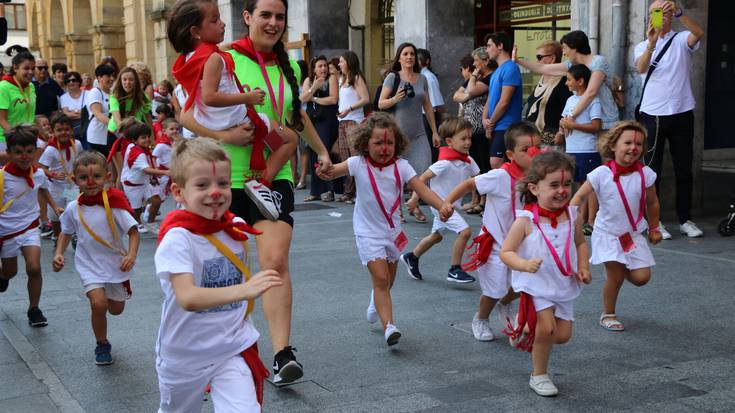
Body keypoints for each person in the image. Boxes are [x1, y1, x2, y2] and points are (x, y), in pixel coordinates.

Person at [178, 0, 332, 386]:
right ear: (247, 18)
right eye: (265, 15)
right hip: (223, 178)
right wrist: (223, 135)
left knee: (276, 260)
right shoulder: (223, 56)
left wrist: (323, 153)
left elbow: (295, 118)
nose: (274, 23)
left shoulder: (291, 66)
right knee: (220, 269)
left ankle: (282, 353)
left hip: (270, 178)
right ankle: (221, 354)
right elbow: (185, 114)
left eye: (280, 16)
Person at [154, 137, 282, 412]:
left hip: (231, 348)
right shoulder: (178, 238)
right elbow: (187, 297)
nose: (215, 192)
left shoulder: (235, 227)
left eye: (223, 184)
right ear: (179, 192)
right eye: (202, 185)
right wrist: (245, 290)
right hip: (184, 355)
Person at [318, 113, 447, 346]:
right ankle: (389, 326)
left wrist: (442, 206)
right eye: (378, 143)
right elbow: (332, 171)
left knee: (387, 281)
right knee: (380, 278)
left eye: (389, 142)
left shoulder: (402, 166)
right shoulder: (357, 163)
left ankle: (374, 301)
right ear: (365, 143)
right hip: (367, 232)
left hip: (392, 231)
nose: (384, 148)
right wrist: (324, 168)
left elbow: (422, 189)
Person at [168, 0, 299, 221]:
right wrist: (246, 100)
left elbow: (297, 113)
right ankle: (263, 185)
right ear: (196, 31)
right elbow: (206, 99)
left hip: (226, 122)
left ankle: (263, 183)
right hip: (242, 120)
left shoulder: (194, 57)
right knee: (290, 140)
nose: (222, 24)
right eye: (215, 20)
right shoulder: (214, 58)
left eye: (280, 17)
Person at [500, 150, 591, 397]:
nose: (562, 190)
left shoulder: (573, 215)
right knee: (547, 330)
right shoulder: (525, 221)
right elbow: (506, 252)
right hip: (537, 285)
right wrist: (523, 264)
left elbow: (581, 243)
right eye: (554, 185)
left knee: (562, 335)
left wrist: (583, 266)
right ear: (534, 188)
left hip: (562, 284)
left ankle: (523, 327)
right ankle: (538, 375)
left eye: (566, 184)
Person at [440, 121, 540, 342]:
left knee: (523, 283)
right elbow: (468, 185)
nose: (533, 154)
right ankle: (481, 317)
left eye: (537, 148)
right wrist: (446, 203)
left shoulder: (538, 177)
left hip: (522, 244)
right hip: (496, 243)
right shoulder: (499, 176)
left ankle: (505, 303)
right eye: (526, 150)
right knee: (493, 290)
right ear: (510, 154)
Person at [571, 121, 662, 331]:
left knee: (642, 278)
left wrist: (654, 228)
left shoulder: (645, 174)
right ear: (613, 146)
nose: (633, 147)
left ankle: (619, 268)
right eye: (628, 142)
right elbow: (579, 196)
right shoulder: (601, 173)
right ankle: (608, 314)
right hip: (607, 233)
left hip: (632, 233)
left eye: (639, 144)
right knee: (616, 277)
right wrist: (567, 217)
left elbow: (652, 202)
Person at [52, 150, 140, 365]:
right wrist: (59, 253)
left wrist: (131, 254)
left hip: (115, 266)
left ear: (107, 177)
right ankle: (102, 344)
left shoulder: (114, 204)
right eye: (83, 177)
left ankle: (111, 299)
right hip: (88, 265)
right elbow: (66, 231)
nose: (90, 182)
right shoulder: (74, 208)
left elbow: (133, 231)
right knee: (98, 304)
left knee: (116, 310)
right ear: (75, 180)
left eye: (96, 176)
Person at [634, 0, 705, 239]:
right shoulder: (643, 45)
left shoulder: (682, 39)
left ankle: (685, 219)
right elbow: (641, 68)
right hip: (652, 114)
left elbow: (699, 33)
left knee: (684, 168)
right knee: (652, 170)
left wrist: (680, 13)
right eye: (656, 13)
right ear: (649, 16)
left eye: (665, 13)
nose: (661, 17)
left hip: (682, 111)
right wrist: (651, 44)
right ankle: (655, 221)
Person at [401, 116, 479, 283]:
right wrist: (415, 199)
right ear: (449, 141)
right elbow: (421, 179)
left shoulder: (468, 161)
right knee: (465, 232)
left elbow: (479, 179)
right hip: (440, 205)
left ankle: (412, 257)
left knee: (436, 236)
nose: (468, 142)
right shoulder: (444, 163)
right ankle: (455, 269)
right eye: (463, 138)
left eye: (469, 138)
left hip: (451, 206)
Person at [0, 125, 63, 327]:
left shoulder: (38, 174)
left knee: (34, 268)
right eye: (18, 152)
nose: (24, 156)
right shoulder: (2, 176)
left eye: (29, 151)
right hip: (6, 230)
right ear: (8, 153)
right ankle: (4, 276)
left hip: (29, 227)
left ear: (35, 151)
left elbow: (42, 190)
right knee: (9, 272)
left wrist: (54, 207)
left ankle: (34, 309)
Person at [378, 42, 440, 222]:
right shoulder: (392, 77)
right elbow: (381, 104)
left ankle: (414, 204)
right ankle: (398, 209)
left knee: (424, 171)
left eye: (412, 54)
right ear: (400, 57)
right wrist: (395, 98)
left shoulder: (422, 79)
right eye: (405, 54)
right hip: (397, 135)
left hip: (419, 134)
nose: (409, 57)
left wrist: (435, 132)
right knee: (396, 176)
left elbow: (428, 107)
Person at [513, 30, 619, 132]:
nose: (563, 53)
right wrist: (518, 61)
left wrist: (570, 116)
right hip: (581, 122)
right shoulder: (570, 65)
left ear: (574, 47)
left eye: (565, 48)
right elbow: (542, 68)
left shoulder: (598, 61)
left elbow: (591, 92)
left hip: (605, 121)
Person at [557, 64, 601, 230]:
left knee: (589, 185)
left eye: (569, 80)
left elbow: (596, 126)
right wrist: (561, 130)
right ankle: (580, 219)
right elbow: (564, 119)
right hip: (571, 149)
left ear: (580, 81)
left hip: (587, 149)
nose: (566, 83)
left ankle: (591, 221)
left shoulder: (593, 100)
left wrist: (574, 126)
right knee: (576, 184)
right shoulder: (570, 100)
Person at [453, 48, 497, 215]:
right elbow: (457, 95)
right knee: (476, 165)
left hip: (482, 128)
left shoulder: (488, 78)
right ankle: (478, 199)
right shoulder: (480, 78)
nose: (474, 65)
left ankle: (484, 201)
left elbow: (470, 91)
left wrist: (472, 79)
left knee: (485, 166)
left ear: (484, 61)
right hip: (471, 129)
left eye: (476, 61)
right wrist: (466, 96)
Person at [38, 113, 84, 239]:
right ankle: (57, 235)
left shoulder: (77, 144)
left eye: (67, 129)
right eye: (59, 130)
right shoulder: (51, 149)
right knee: (54, 214)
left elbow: (80, 160)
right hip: (55, 186)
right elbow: (42, 168)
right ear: (53, 131)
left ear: (72, 130)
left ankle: (74, 235)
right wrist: (52, 174)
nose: (64, 132)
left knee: (73, 209)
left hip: (71, 185)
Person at [300, 55, 338, 202]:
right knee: (313, 152)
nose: (323, 69)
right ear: (314, 69)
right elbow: (302, 99)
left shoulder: (332, 78)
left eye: (325, 66)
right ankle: (315, 191)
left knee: (326, 151)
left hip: (327, 120)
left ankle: (330, 189)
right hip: (313, 120)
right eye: (320, 66)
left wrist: (314, 98)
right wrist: (314, 87)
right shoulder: (308, 81)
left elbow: (333, 99)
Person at [483, 32, 523, 170]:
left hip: (507, 126)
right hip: (496, 125)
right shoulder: (496, 72)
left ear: (500, 46)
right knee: (497, 164)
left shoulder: (511, 68)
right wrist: (484, 118)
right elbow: (491, 98)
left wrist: (491, 123)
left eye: (489, 46)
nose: (486, 50)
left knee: (496, 162)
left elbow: (504, 102)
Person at [334, 50, 370, 203]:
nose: (339, 64)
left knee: (356, 156)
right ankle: (348, 191)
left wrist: (349, 109)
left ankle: (359, 191)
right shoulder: (342, 79)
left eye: (342, 61)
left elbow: (366, 98)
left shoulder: (356, 77)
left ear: (349, 62)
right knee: (345, 158)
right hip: (342, 121)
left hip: (354, 121)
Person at [120, 121, 168, 233]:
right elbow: (147, 170)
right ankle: (136, 224)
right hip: (132, 185)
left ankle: (150, 222)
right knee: (136, 209)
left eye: (148, 137)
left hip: (144, 183)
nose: (147, 139)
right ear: (134, 140)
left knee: (157, 200)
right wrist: (166, 172)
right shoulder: (138, 153)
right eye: (143, 138)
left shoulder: (133, 146)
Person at [523, 40, 571, 146]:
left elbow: (571, 110)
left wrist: (561, 133)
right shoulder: (542, 80)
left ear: (552, 58)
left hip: (551, 138)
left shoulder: (563, 82)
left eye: (539, 57)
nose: (537, 61)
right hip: (534, 137)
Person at [0, 50, 37, 163]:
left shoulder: (31, 86)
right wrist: (18, 137)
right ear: (15, 68)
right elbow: (1, 119)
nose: (30, 72)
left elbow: (31, 115)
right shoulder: (3, 88)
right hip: (7, 141)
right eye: (26, 68)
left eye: (33, 68)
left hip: (28, 140)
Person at [417, 48, 446, 163]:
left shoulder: (428, 77)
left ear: (426, 61)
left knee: (431, 149)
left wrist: (435, 127)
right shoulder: (419, 77)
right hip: (422, 117)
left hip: (429, 117)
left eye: (418, 59)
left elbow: (436, 104)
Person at [108, 67, 152, 135]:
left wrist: (152, 137)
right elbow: (118, 120)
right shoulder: (114, 97)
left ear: (135, 81)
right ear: (120, 81)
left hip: (136, 133)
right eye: (124, 79)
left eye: (131, 79)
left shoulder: (142, 96)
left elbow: (148, 118)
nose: (127, 82)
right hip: (116, 133)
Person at [151, 118, 183, 204]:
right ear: (164, 131)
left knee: (179, 192)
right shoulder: (161, 145)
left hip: (176, 172)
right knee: (161, 196)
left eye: (177, 129)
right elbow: (153, 157)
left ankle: (180, 208)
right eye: (171, 129)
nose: (175, 131)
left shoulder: (177, 142)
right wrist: (157, 170)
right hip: (165, 173)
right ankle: (149, 210)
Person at [86, 64, 115, 156]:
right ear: (99, 78)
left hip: (111, 136)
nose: (112, 78)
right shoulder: (95, 92)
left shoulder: (113, 94)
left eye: (112, 75)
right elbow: (98, 114)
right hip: (98, 138)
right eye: (108, 76)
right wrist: (119, 127)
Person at [59, 71, 86, 145]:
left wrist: (72, 112)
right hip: (72, 130)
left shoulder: (88, 94)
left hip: (86, 128)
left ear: (78, 82)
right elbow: (66, 114)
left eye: (73, 80)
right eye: (68, 81)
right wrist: (81, 113)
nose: (71, 82)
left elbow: (90, 112)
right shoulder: (63, 97)